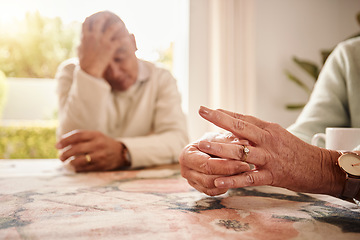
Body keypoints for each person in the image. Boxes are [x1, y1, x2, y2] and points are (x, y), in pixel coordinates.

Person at [179, 37, 360, 202]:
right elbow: (306, 133)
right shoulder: (349, 55)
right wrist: (230, 150)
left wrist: (326, 168)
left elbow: (303, 158)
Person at [55, 11, 188, 172]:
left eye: (119, 58)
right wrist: (90, 73)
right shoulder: (72, 73)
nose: (115, 73)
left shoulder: (161, 78)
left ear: (133, 42)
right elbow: (75, 149)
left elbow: (178, 140)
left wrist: (122, 151)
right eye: (102, 63)